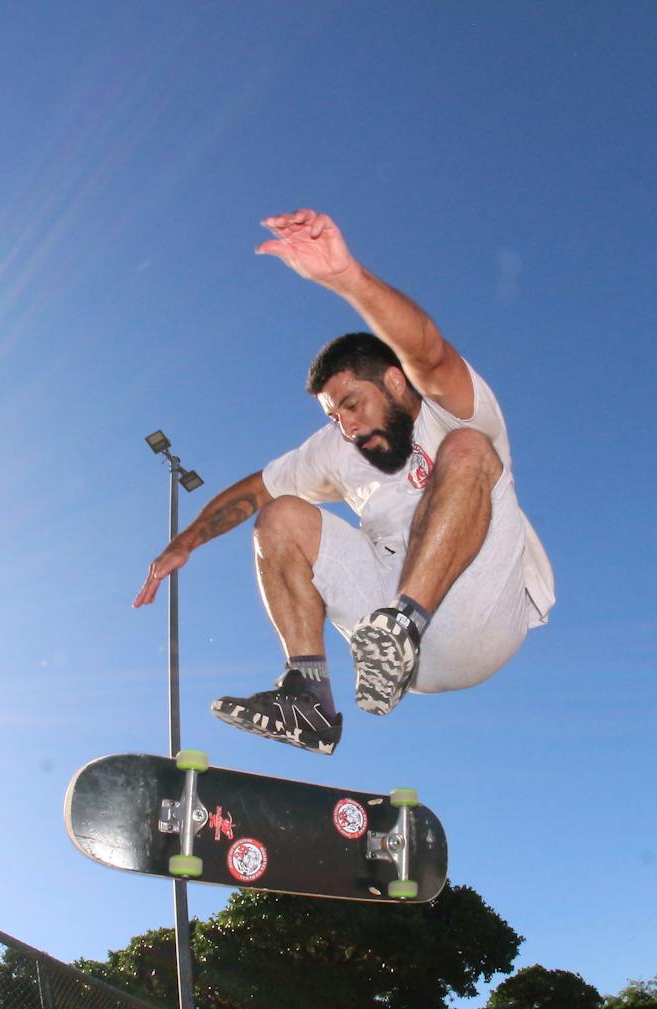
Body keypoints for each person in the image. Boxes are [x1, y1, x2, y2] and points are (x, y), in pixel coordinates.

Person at [134, 210, 555, 754]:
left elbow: (428, 349)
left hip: (481, 618)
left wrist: (346, 278)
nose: (349, 427)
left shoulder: (451, 409)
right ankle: (309, 700)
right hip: (394, 641)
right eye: (336, 417)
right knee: (280, 517)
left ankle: (403, 627)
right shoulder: (337, 446)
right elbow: (256, 489)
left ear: (396, 382)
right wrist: (186, 541)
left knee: (470, 449)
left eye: (353, 405)